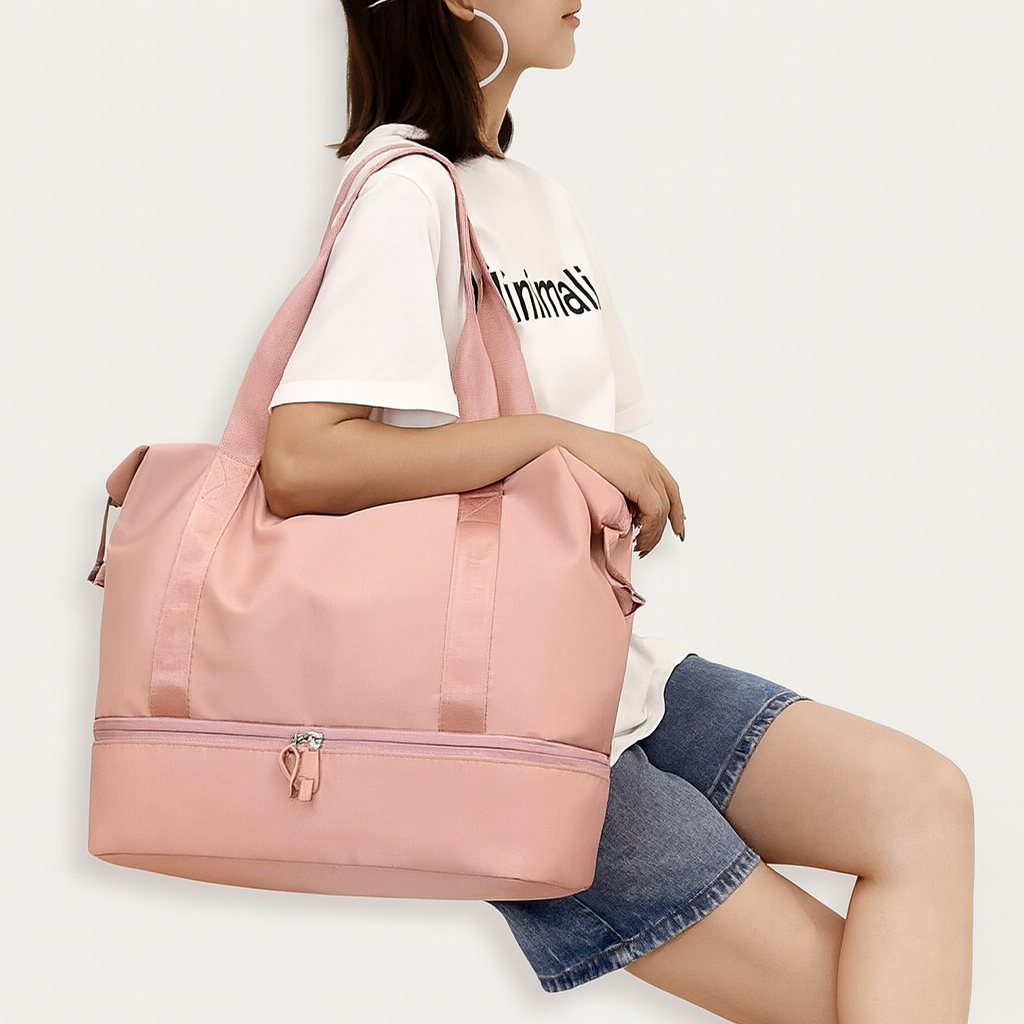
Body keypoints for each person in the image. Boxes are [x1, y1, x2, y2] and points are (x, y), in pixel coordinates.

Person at [258, 2, 975, 1020]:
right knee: (864, 1001)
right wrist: (552, 440)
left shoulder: (535, 201)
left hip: (606, 663)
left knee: (922, 801)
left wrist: (585, 464)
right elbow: (301, 457)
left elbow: (595, 439)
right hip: (508, 720)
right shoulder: (405, 193)